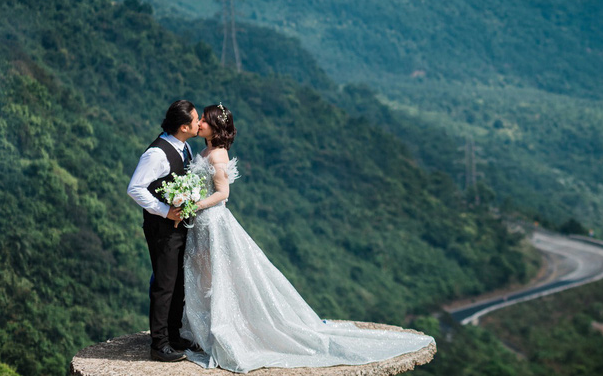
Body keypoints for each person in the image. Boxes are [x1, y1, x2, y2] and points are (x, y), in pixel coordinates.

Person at [182, 103, 435, 373]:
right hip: (202, 224)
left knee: (215, 277)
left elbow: (223, 194)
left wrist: (193, 205)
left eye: (205, 121)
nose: (200, 124)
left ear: (215, 127)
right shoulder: (207, 150)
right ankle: (202, 330)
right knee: (202, 274)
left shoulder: (218, 156)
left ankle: (219, 331)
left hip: (214, 223)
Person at [127, 99, 199, 362]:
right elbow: (135, 188)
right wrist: (165, 210)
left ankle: (173, 334)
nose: (199, 122)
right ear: (183, 126)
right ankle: (159, 345)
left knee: (178, 281)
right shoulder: (156, 154)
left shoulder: (185, 147)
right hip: (162, 228)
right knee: (164, 284)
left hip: (179, 226)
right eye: (195, 119)